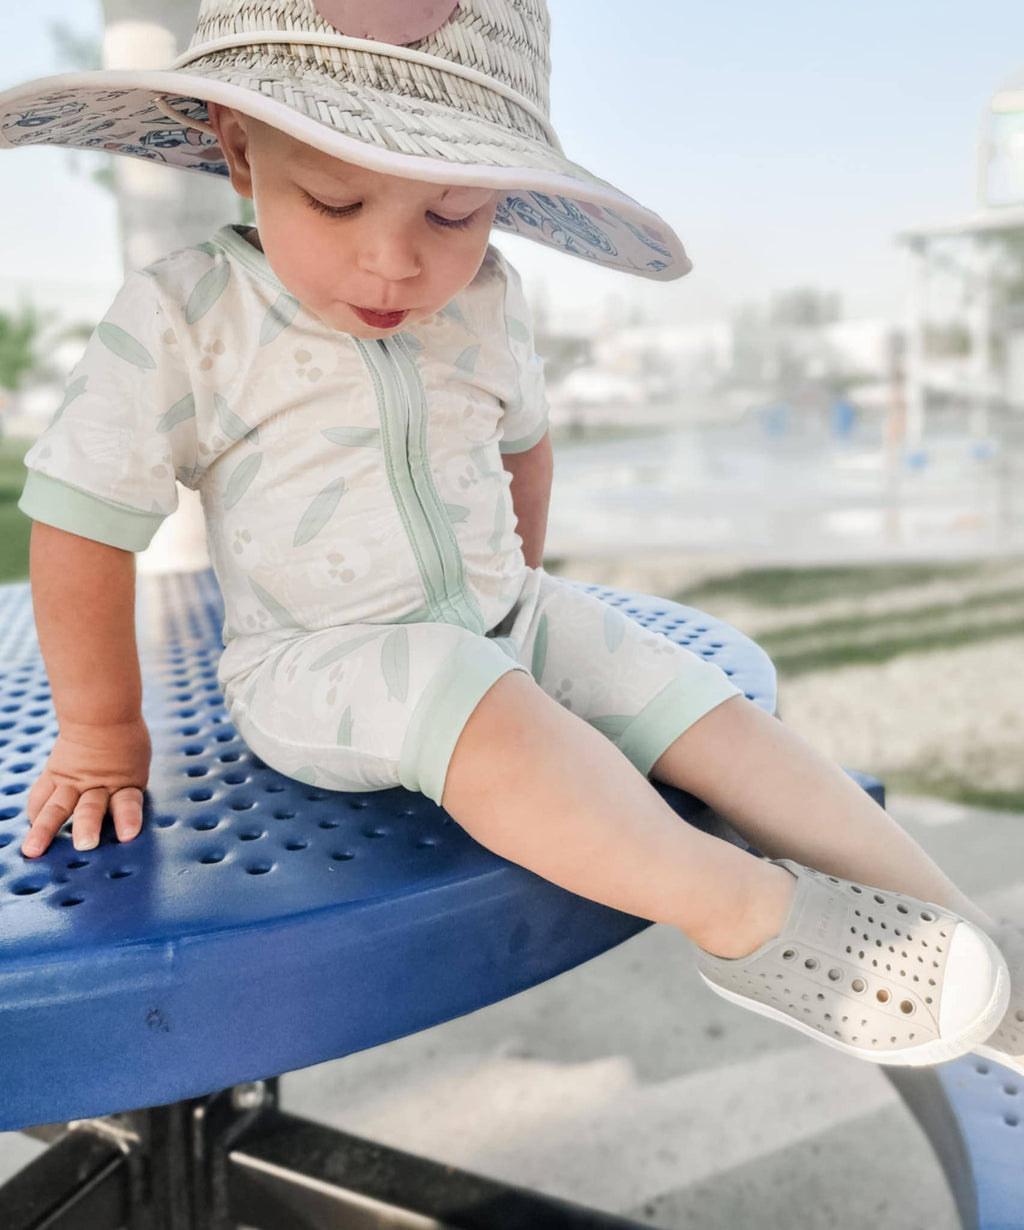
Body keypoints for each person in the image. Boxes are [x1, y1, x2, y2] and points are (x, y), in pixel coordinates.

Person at [1, 0, 1021, 1076]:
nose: (394, 262)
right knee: (464, 687)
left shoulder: (487, 297)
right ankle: (750, 920)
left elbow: (523, 446)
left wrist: (526, 589)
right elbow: (79, 517)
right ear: (243, 151)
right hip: (321, 660)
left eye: (452, 214)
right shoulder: (187, 313)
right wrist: (102, 735)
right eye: (337, 201)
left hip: (506, 618)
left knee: (694, 703)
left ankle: (969, 935)